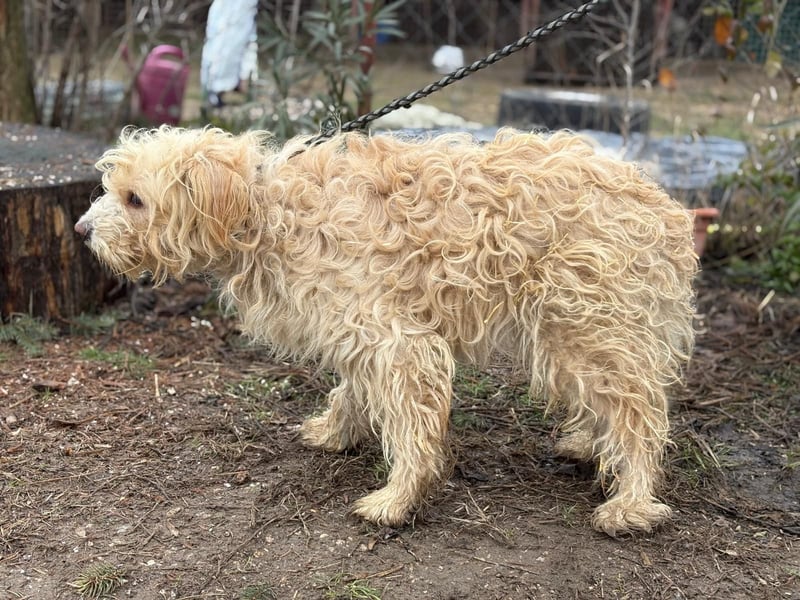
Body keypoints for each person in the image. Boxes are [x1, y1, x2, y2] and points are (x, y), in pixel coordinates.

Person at [200, 0, 259, 108]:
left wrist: (245, 75)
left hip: (241, 26)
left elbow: (249, 40)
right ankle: (212, 96)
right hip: (222, 32)